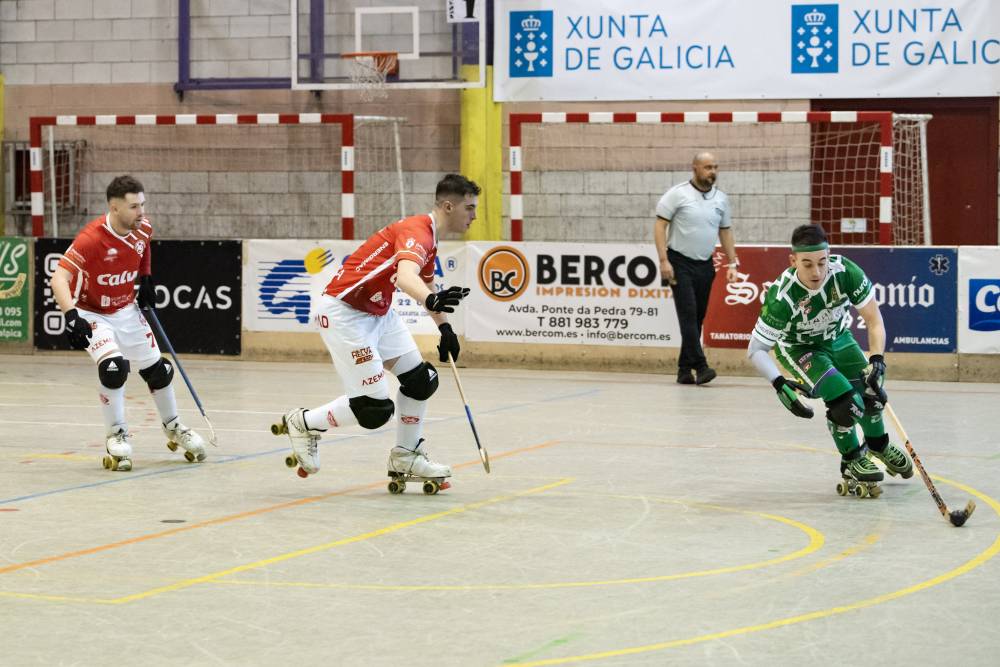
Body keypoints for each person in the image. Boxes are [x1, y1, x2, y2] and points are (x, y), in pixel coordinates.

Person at [276, 173, 480, 487]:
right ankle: (303, 422)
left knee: (421, 381)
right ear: (449, 206)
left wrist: (446, 328)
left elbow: (425, 281)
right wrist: (430, 299)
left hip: (378, 313)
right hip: (345, 313)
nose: (474, 215)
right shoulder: (418, 233)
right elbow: (406, 277)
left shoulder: (430, 238)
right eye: (470, 208)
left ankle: (405, 456)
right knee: (373, 410)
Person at [49, 175, 206, 472]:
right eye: (134, 206)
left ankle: (173, 427)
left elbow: (144, 246)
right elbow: (59, 278)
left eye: (143, 204)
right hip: (92, 313)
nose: (141, 212)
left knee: (159, 371)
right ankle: (117, 434)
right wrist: (71, 316)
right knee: (114, 368)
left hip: (126, 309)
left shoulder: (143, 227)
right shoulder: (91, 238)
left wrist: (145, 277)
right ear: (115, 207)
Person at [747, 224, 913, 496]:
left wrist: (878, 360)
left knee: (871, 391)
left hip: (839, 337)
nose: (817, 272)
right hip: (801, 348)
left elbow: (874, 320)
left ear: (829, 255)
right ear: (793, 261)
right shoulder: (782, 296)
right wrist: (779, 384)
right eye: (807, 264)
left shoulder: (846, 272)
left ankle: (878, 444)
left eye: (822, 263)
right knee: (847, 404)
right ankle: (851, 459)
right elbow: (756, 349)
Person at [654, 152, 739, 385]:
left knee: (697, 317)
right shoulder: (678, 194)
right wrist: (663, 260)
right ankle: (701, 366)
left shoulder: (721, 199)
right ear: (695, 168)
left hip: (705, 264)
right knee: (688, 314)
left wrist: (733, 263)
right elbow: (660, 226)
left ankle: (684, 369)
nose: (713, 172)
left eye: (715, 167)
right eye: (708, 167)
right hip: (679, 262)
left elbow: (726, 231)